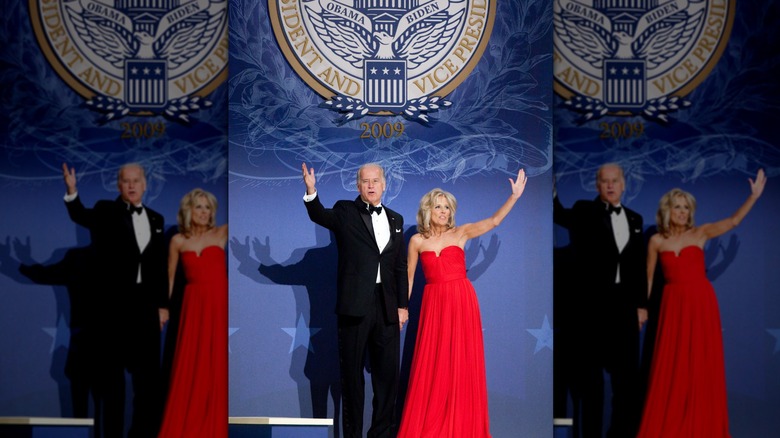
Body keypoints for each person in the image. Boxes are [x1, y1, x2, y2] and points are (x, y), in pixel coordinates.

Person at [397, 168, 528, 438]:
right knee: (433, 366)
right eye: (438, 206)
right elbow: (408, 279)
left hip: (460, 301)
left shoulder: (461, 233)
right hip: (433, 306)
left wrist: (513, 197)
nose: (443, 211)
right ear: (427, 210)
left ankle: (461, 428)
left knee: (460, 364)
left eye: (447, 207)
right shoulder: (416, 241)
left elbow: (493, 221)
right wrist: (402, 308)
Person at [636, 169, 767, 438]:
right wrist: (643, 308)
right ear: (667, 210)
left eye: (686, 207)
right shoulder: (657, 241)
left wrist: (753, 197)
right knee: (671, 368)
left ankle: (702, 428)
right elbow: (648, 279)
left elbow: (733, 221)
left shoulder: (701, 232)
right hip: (672, 307)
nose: (683, 212)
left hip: (701, 304)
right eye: (677, 207)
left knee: (700, 366)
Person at [62, 162, 169, 438]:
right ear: (118, 185)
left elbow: (158, 267)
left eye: (136, 180)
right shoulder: (105, 211)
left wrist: (162, 306)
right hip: (112, 312)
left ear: (145, 185)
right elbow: (80, 215)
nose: (131, 185)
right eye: (126, 181)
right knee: (112, 387)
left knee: (147, 386)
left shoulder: (157, 219)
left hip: (146, 312)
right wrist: (72, 192)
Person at [301, 162, 408, 438]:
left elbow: (399, 267)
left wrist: (402, 306)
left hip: (386, 308)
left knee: (387, 379)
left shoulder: (396, 219)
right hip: (354, 307)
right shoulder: (345, 212)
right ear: (358, 186)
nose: (371, 185)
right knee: (351, 380)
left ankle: (381, 434)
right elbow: (319, 215)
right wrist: (311, 192)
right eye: (365, 181)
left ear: (384, 185)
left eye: (375, 181)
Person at [553, 163, 648, 438]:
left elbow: (639, 266)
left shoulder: (635, 219)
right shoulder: (584, 210)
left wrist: (641, 306)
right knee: (591, 385)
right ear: (597, 185)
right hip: (592, 311)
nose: (610, 185)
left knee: (626, 383)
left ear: (623, 184)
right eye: (604, 181)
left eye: (615, 180)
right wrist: (552, 192)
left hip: (625, 310)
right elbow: (559, 213)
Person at [158, 188, 228, 437]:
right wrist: (163, 308)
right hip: (191, 307)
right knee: (188, 365)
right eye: (198, 206)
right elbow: (169, 277)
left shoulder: (222, 232)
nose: (203, 212)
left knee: (215, 365)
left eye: (207, 207)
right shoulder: (178, 241)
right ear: (188, 210)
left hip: (218, 305)